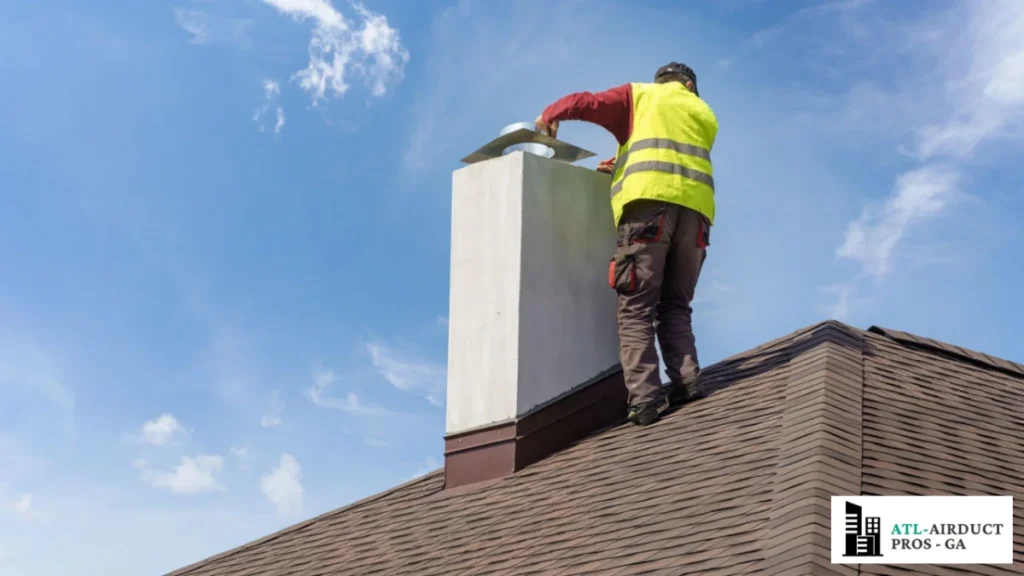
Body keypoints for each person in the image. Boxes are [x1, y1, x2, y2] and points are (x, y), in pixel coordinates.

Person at [535, 62, 718, 426]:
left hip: (648, 213)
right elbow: (670, 156)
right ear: (689, 84)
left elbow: (586, 103)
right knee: (676, 305)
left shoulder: (640, 95)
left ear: (662, 81)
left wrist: (548, 114)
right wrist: (620, 163)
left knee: (636, 307)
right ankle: (688, 381)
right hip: (696, 217)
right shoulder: (703, 112)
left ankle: (645, 400)